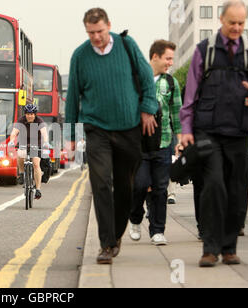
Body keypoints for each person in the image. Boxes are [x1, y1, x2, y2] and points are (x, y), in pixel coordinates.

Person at [65, 8, 158, 265]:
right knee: (101, 184)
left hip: (128, 129)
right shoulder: (80, 56)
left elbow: (147, 77)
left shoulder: (127, 45)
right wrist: (70, 134)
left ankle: (116, 235)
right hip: (97, 129)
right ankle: (106, 244)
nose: (96, 37)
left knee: (126, 188)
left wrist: (148, 109)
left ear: (109, 26)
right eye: (91, 33)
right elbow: (72, 95)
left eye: (100, 32)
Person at [180, 0, 248, 267]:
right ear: (221, 20)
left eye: (241, 23)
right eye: (232, 22)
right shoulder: (204, 50)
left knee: (237, 190)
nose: (236, 27)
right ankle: (210, 249)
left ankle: (229, 247)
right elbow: (190, 95)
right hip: (208, 131)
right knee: (213, 186)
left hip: (240, 130)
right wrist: (186, 130)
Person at [129, 40, 182, 245]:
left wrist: (178, 141)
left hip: (163, 142)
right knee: (140, 185)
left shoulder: (171, 82)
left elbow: (176, 114)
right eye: (167, 58)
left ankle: (157, 230)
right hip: (139, 145)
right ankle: (135, 218)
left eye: (171, 59)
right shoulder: (136, 81)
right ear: (155, 57)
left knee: (160, 189)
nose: (170, 63)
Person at [9, 103, 49, 200]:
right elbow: (14, 132)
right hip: (23, 142)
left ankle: (38, 189)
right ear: (25, 114)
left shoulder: (39, 121)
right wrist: (11, 141)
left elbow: (44, 133)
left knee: (36, 164)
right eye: (27, 114)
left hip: (36, 144)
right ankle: (22, 173)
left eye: (31, 114)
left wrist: (46, 142)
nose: (29, 116)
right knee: (20, 154)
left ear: (35, 114)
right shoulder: (21, 120)